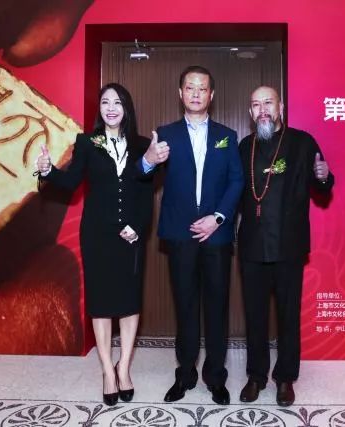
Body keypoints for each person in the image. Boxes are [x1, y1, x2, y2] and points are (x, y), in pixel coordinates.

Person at [36, 83, 166, 405]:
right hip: (97, 234)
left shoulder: (143, 145)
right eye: (105, 102)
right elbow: (70, 181)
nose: (111, 108)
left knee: (129, 302)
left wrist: (138, 227)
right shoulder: (87, 142)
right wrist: (48, 170)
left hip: (130, 235)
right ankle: (108, 370)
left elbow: (145, 192)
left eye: (117, 102)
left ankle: (124, 368)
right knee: (101, 303)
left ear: (126, 108)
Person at [237, 86, 334, 407]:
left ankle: (285, 378)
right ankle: (256, 376)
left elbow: (322, 185)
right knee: (255, 315)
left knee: (288, 315)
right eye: (256, 105)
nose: (262, 109)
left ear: (281, 107)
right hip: (252, 245)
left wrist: (324, 176)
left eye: (268, 103)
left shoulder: (302, 143)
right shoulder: (244, 146)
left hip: (289, 245)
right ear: (250, 113)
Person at [154, 65, 243, 405]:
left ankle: (216, 377)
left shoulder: (227, 135)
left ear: (211, 95)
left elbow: (236, 180)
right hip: (180, 235)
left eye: (202, 88)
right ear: (180, 93)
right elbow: (142, 173)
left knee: (217, 307)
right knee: (186, 306)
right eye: (190, 87)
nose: (195, 93)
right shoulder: (165, 134)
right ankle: (185, 373)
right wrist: (148, 160)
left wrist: (217, 218)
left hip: (216, 235)